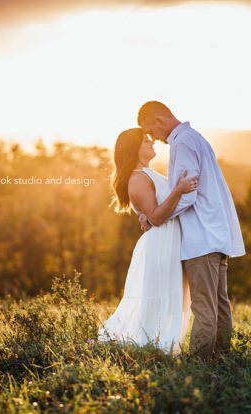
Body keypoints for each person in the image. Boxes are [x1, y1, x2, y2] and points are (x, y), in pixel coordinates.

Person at [137, 101, 246, 359]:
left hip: (201, 238)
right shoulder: (194, 137)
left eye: (151, 131)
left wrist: (155, 218)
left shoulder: (182, 143)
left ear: (159, 122)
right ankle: (222, 360)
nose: (153, 138)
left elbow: (187, 194)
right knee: (219, 305)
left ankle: (198, 366)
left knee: (205, 307)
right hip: (215, 235)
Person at [98, 128, 197, 355]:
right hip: (161, 244)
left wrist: (151, 215)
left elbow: (153, 214)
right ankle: (154, 348)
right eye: (146, 140)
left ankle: (168, 347)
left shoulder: (148, 173)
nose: (153, 143)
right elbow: (157, 217)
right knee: (161, 295)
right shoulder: (137, 178)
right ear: (134, 148)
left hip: (172, 241)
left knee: (176, 297)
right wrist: (179, 190)